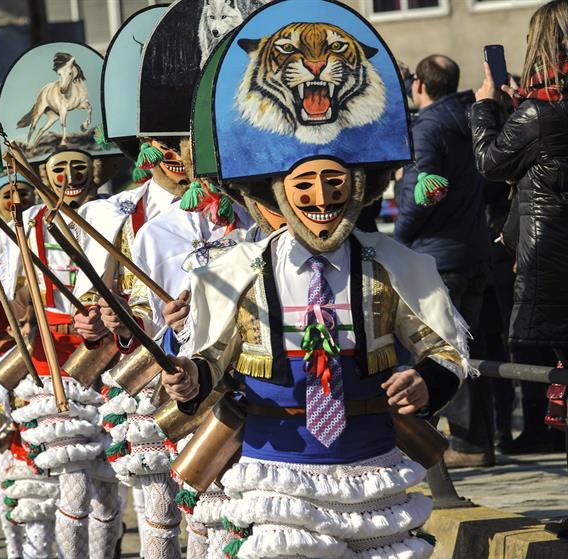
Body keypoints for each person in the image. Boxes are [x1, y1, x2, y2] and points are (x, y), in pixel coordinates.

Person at [161, 2, 468, 557]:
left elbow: (445, 352)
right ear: (279, 193)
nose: (322, 200)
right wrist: (189, 377)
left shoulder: (396, 264)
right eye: (306, 186)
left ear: (358, 188)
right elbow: (209, 359)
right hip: (278, 473)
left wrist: (427, 380)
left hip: (372, 468)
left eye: (335, 183)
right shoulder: (233, 271)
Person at [472, 0, 568, 454]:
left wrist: (485, 108)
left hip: (554, 262)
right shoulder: (542, 110)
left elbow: (491, 161)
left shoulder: (539, 113)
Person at [395, 54, 494, 467]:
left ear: (420, 85)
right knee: (471, 349)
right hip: (473, 247)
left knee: (446, 351)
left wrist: (397, 242)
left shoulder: (428, 127)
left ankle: (468, 445)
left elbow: (422, 191)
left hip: (437, 254)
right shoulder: (472, 116)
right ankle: (478, 439)